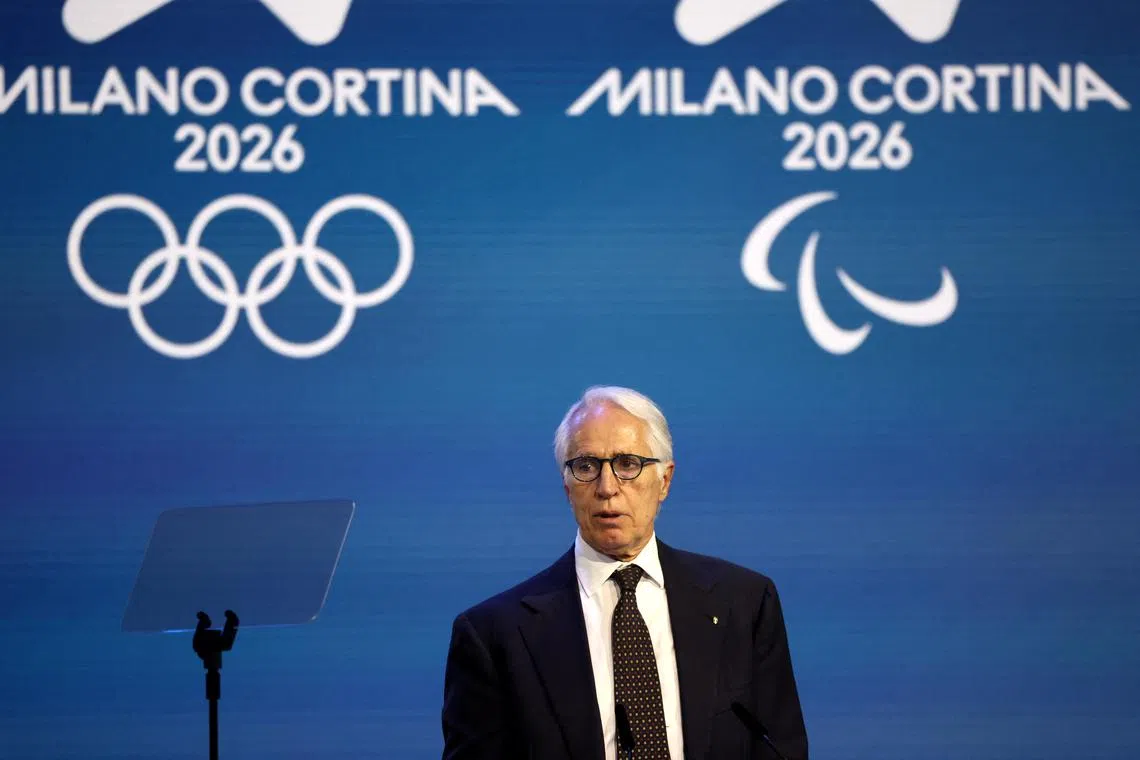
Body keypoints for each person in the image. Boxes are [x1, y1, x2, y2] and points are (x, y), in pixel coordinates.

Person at [441, 386, 808, 759]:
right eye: (586, 466)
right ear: (567, 486)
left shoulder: (742, 604)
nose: (607, 488)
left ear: (664, 480)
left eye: (628, 464)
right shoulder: (495, 635)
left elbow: (781, 748)